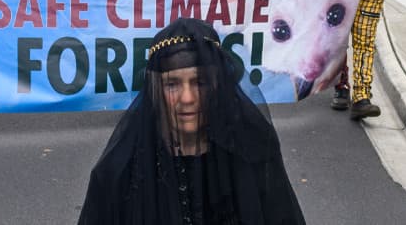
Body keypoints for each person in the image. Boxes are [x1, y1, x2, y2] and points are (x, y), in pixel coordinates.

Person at [78, 18, 306, 224]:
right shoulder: (122, 167)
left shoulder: (251, 150)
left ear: (217, 84)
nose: (187, 98)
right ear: (155, 89)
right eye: (172, 84)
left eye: (200, 82)